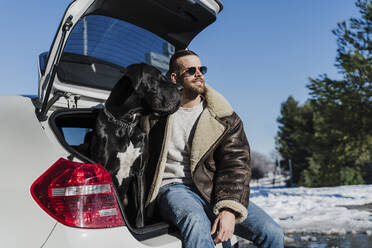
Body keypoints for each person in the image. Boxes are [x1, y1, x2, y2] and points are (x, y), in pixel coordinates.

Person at [142, 49, 284, 247]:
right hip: (172, 187)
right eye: (191, 70)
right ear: (174, 78)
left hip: (212, 188)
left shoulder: (224, 117)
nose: (199, 74)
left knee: (273, 232)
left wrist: (229, 209)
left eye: (202, 69)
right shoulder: (155, 113)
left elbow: (236, 164)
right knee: (196, 220)